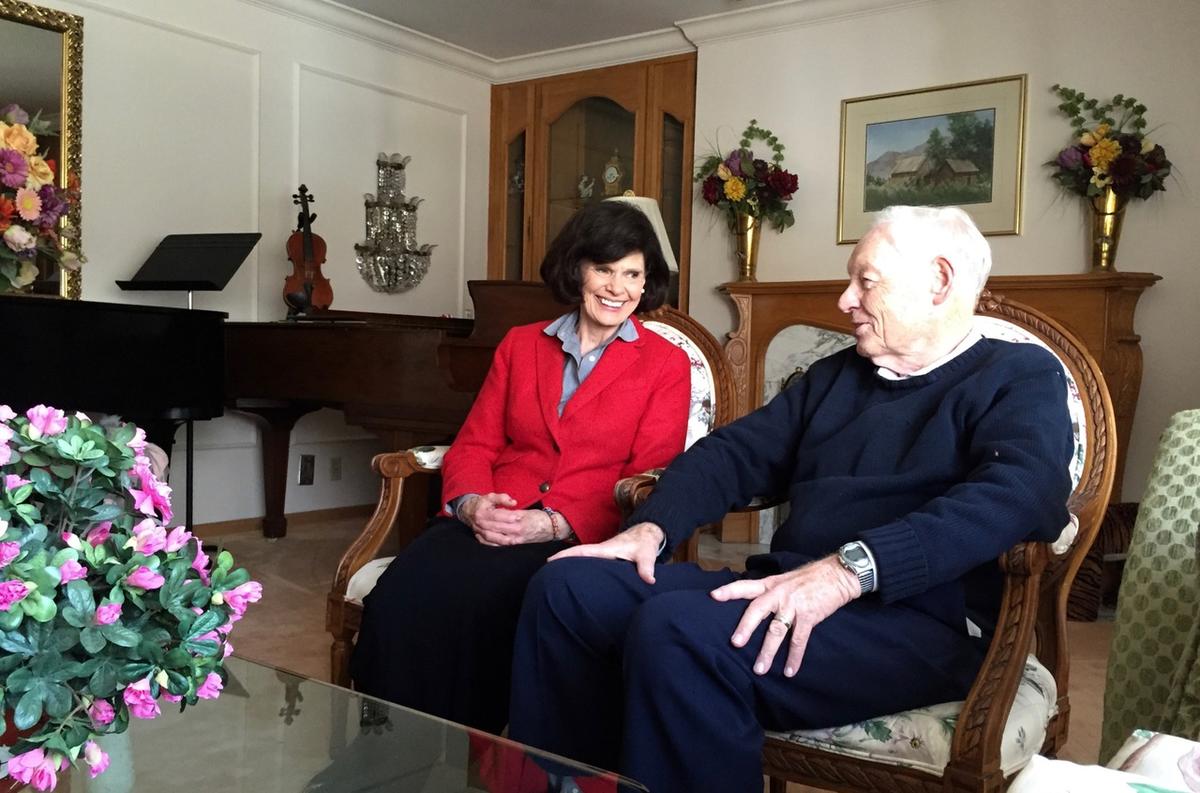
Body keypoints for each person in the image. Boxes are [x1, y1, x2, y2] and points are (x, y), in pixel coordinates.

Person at [507, 205, 1075, 793]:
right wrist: (650, 529)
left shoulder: (1019, 374)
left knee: (680, 630)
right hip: (791, 584)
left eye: (866, 281)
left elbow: (1023, 492)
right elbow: (732, 454)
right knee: (570, 588)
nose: (845, 300)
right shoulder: (837, 376)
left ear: (938, 280)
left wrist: (850, 570)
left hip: (920, 623)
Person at [351, 200, 691, 735]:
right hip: (492, 515)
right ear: (577, 268)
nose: (617, 287)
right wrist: (470, 505)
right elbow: (474, 444)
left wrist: (554, 521)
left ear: (647, 283)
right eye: (604, 269)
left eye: (632, 274)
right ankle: (384, 750)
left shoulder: (665, 365)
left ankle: (468, 754)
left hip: (579, 532)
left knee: (489, 607)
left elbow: (648, 475)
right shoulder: (521, 345)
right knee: (400, 594)